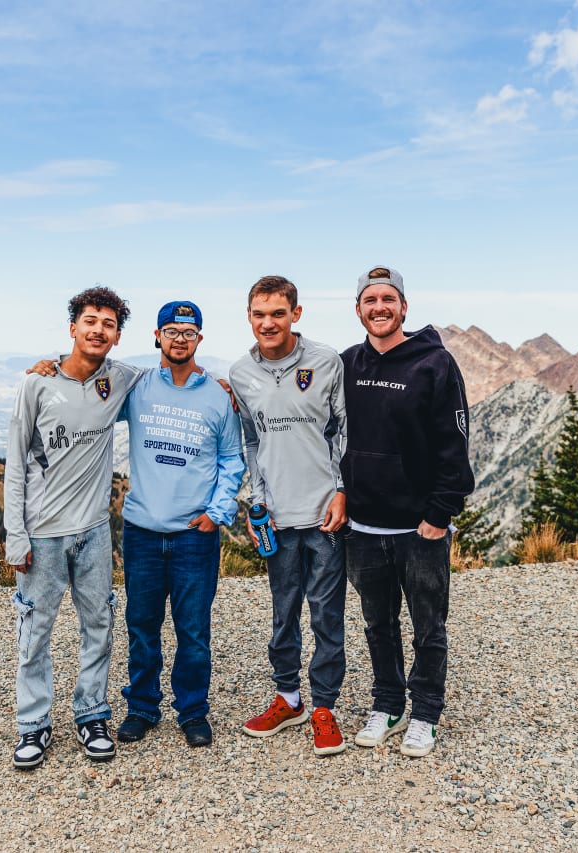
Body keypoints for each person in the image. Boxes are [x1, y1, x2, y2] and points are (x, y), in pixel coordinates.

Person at [4, 286, 142, 770]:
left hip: (94, 531)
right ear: (73, 328)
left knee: (99, 624)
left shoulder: (121, 379)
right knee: (34, 631)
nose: (98, 330)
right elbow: (15, 463)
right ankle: (33, 725)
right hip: (41, 533)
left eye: (108, 324)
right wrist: (14, 533)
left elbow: (171, 379)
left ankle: (91, 714)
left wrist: (216, 384)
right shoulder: (36, 384)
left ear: (117, 335)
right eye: (90, 321)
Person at [340, 266, 475, 758]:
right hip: (363, 523)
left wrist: (441, 513)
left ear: (404, 307)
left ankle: (426, 712)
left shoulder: (435, 363)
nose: (379, 307)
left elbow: (454, 443)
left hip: (420, 526)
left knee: (427, 623)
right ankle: (389, 702)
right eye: (370, 300)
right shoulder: (347, 364)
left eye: (388, 299)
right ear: (358, 309)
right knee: (377, 622)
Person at [227, 275, 349, 757]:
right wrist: (257, 498)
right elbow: (251, 441)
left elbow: (343, 432)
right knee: (283, 614)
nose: (268, 322)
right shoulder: (240, 373)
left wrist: (342, 491)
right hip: (276, 517)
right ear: (249, 317)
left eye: (278, 313)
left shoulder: (326, 361)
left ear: (295, 314)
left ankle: (324, 708)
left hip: (324, 516)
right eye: (259, 314)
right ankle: (288, 698)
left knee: (325, 615)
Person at [114, 301, 245, 748]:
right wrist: (51, 368)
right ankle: (142, 708)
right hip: (142, 532)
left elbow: (232, 459)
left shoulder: (217, 397)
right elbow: (87, 398)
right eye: (171, 331)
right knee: (142, 625)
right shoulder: (136, 387)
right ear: (156, 336)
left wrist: (217, 513)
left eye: (188, 333)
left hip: (194, 536)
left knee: (193, 630)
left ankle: (192, 712)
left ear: (200, 340)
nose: (179, 340)